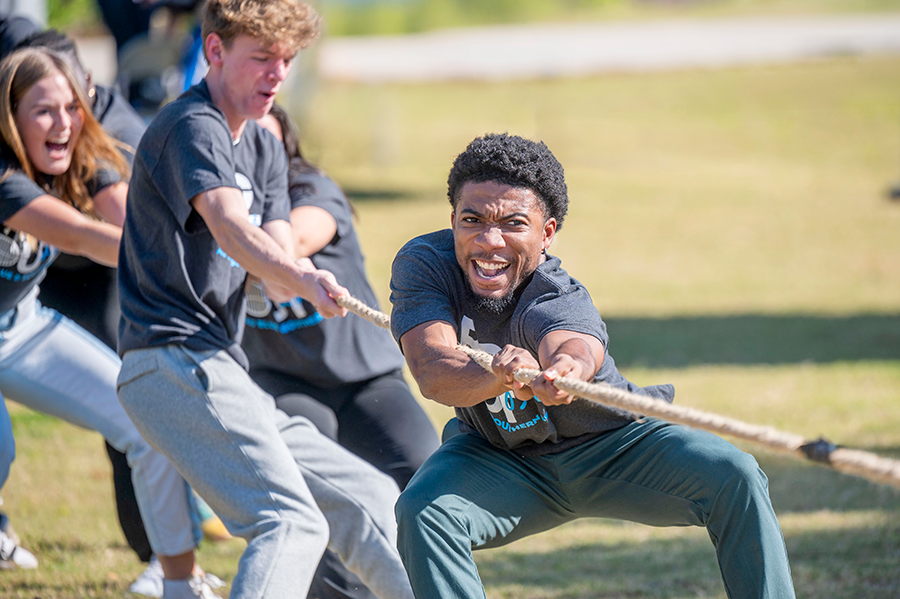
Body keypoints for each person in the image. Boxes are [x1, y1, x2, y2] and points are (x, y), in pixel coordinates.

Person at [389, 133, 797, 599]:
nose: (489, 241)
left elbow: (575, 347)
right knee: (424, 510)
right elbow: (432, 368)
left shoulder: (558, 295)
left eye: (514, 223)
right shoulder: (426, 263)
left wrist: (563, 375)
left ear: (547, 233)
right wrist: (496, 375)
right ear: (453, 221)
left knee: (734, 474)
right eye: (472, 220)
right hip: (501, 457)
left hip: (613, 447)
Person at [115, 1, 415, 598]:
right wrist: (300, 277)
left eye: (287, 60)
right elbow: (230, 228)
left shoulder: (266, 145)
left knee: (371, 498)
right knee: (290, 523)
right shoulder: (191, 126)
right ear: (215, 51)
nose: (277, 74)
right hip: (170, 362)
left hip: (224, 370)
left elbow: (277, 263)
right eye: (262, 58)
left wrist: (305, 277)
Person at [0, 46, 214, 595]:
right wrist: (177, 259)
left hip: (20, 328)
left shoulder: (77, 151)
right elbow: (79, 236)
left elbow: (128, 213)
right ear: (10, 115)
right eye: (44, 110)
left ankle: (176, 578)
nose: (63, 123)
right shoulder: (2, 172)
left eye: (73, 107)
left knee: (147, 421)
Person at [244, 103, 440, 599]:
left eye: (263, 138)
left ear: (285, 143)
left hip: (365, 379)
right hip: (283, 382)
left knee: (425, 474)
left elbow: (295, 241)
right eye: (238, 137)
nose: (253, 150)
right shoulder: (208, 211)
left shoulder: (312, 189)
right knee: (319, 493)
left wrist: (226, 237)